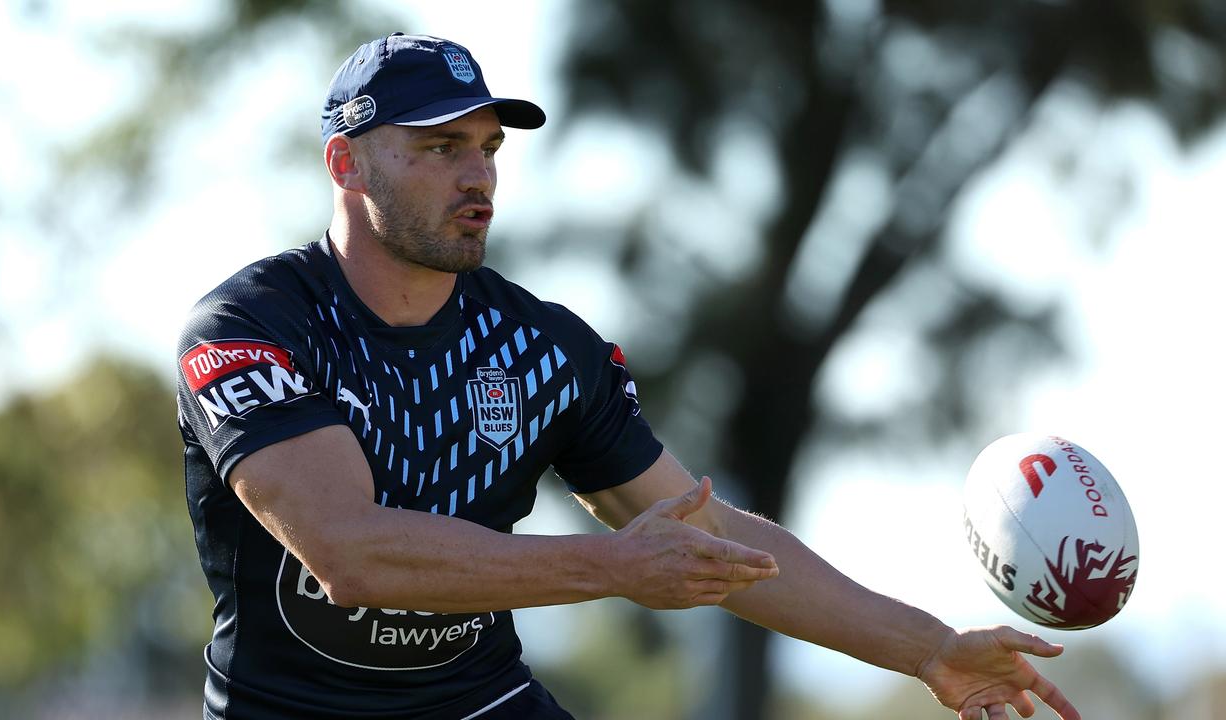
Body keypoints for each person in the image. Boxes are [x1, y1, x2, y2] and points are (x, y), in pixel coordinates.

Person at [175, 33, 1082, 720]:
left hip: (476, 705)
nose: (479, 174)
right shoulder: (250, 329)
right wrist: (613, 566)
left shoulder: (545, 349)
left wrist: (928, 650)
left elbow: (715, 541)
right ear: (346, 161)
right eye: (440, 147)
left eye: (488, 147)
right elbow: (351, 553)